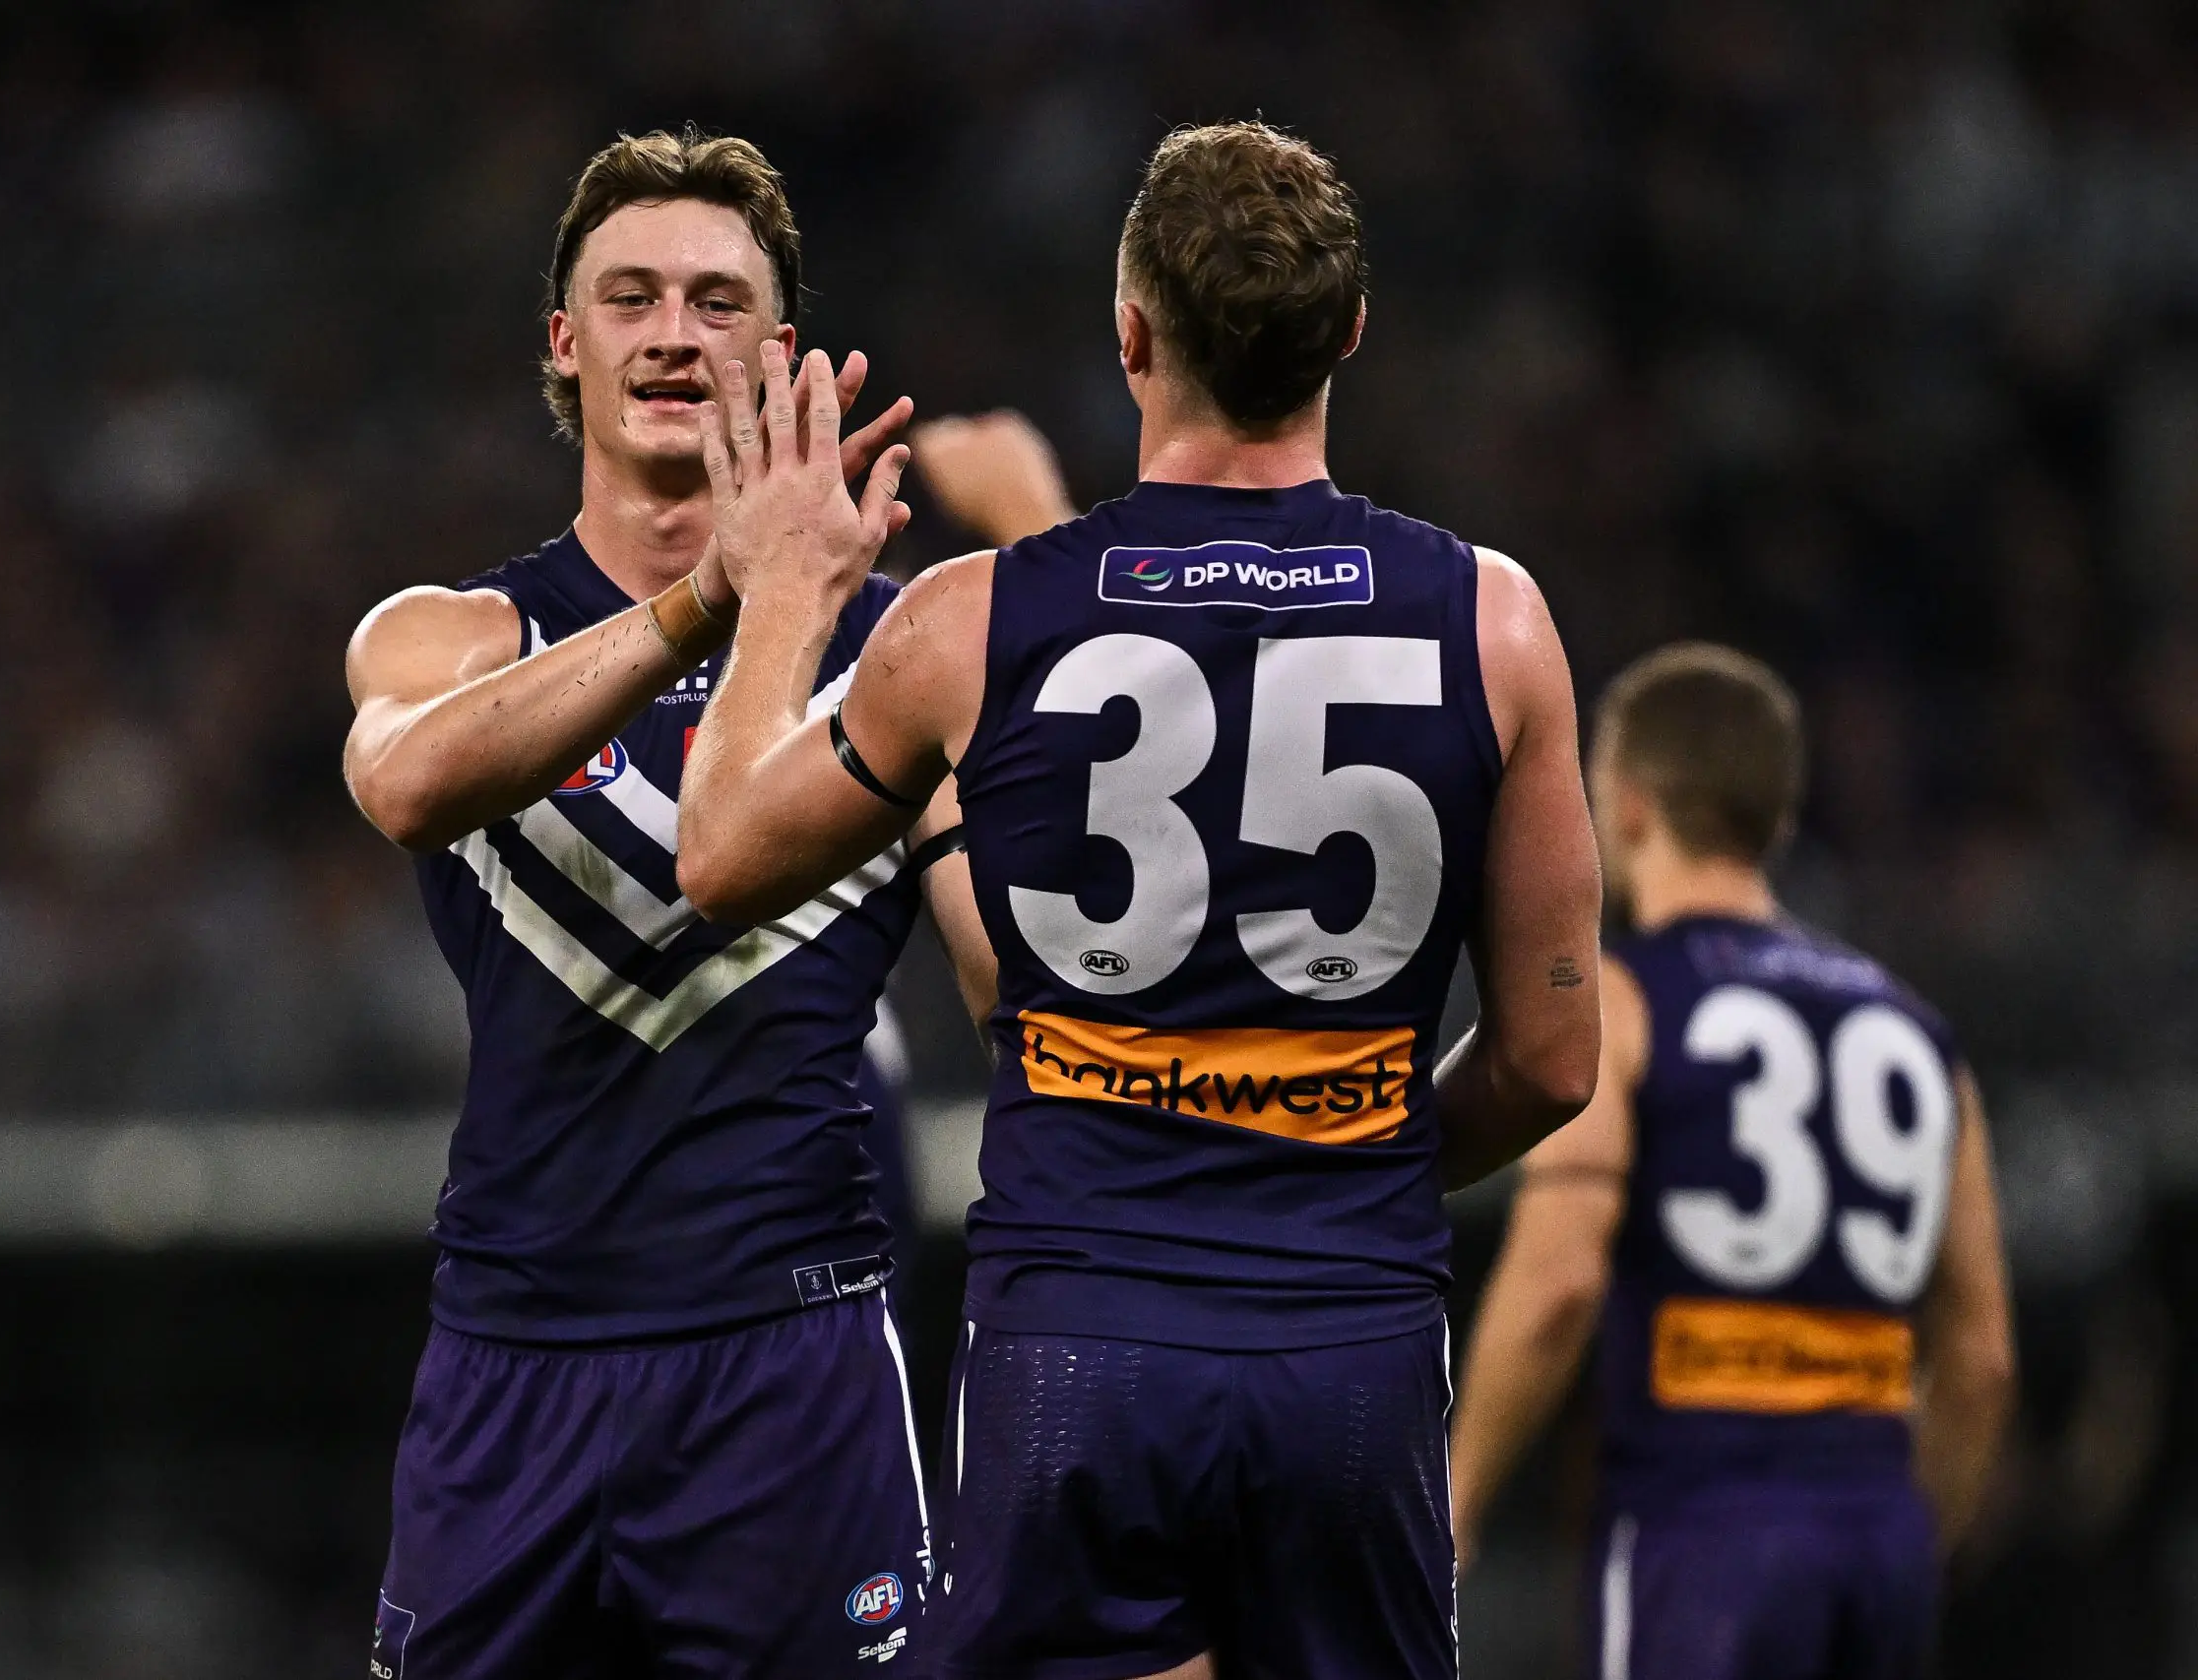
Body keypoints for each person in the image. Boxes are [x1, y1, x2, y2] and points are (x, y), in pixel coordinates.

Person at [674, 120, 1602, 1680]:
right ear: (1351, 335)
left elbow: (716, 853)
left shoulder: (973, 623)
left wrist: (777, 589)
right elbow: (1554, 1057)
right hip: (1351, 1346)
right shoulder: (1496, 621)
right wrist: (1338, 1159)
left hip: (1073, 1350)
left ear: (1129, 334)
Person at [342, 128, 990, 1680]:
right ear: (567, 343)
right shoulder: (449, 632)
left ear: (780, 350)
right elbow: (410, 785)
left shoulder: (910, 656)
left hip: (798, 1358)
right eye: (629, 296)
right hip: (516, 1358)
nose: (673, 332)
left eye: (716, 300)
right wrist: (721, 593)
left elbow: (1018, 993)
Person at [1446, 644, 2016, 1680]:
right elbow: (1979, 1358)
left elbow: (1559, 1282)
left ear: (1625, 807)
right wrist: (1906, 1543)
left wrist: (1458, 1494)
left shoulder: (1621, 1004)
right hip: (1878, 1535)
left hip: (1698, 1526)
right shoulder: (1919, 1032)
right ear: (1776, 818)